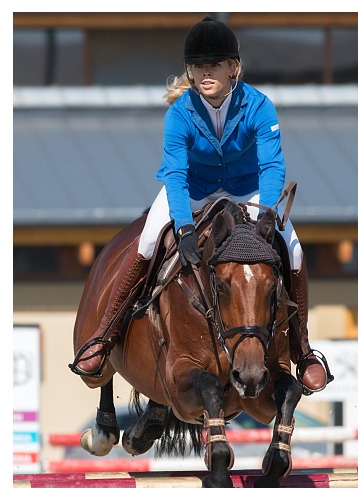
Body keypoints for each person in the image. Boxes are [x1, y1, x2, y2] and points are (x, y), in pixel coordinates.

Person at [69, 15, 329, 393]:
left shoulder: (259, 106)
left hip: (247, 189)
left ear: (233, 68)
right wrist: (184, 225)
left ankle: (302, 349)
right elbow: (175, 174)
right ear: (190, 72)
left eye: (215, 65)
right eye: (198, 66)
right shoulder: (179, 113)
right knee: (145, 242)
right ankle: (105, 334)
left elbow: (272, 165)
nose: (206, 72)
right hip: (193, 188)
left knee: (293, 249)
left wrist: (267, 215)